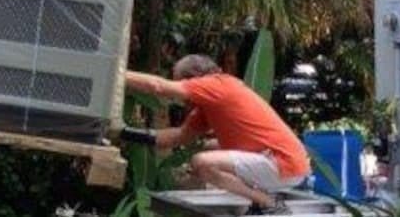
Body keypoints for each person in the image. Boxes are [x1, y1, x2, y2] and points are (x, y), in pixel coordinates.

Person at [126, 54, 310, 215]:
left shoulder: (216, 85)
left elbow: (158, 86)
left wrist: (119, 73)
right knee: (205, 157)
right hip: (280, 165)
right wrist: (126, 133)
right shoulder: (208, 105)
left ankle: (268, 203)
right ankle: (262, 202)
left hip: (283, 164)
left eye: (181, 82)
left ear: (195, 78)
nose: (181, 98)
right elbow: (177, 137)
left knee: (202, 162)